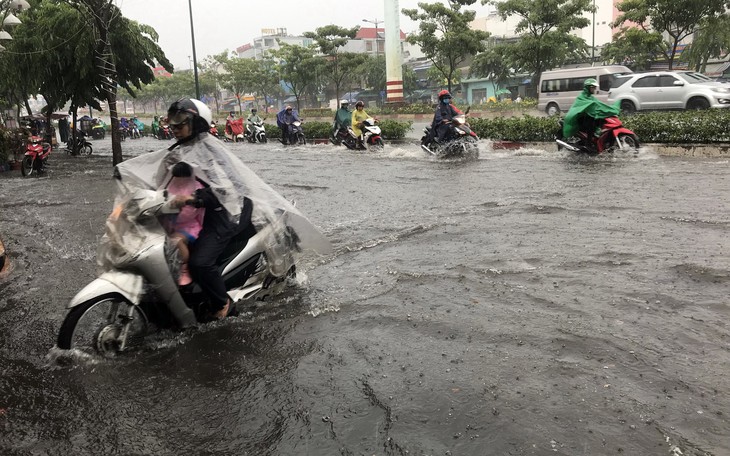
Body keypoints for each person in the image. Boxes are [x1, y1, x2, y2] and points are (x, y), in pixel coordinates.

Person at [109, 98, 330, 322]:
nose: (174, 128)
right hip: (197, 213)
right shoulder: (180, 150)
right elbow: (157, 174)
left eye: (180, 123)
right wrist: (128, 178)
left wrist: (197, 198)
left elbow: (229, 186)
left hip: (225, 212)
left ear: (196, 123)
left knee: (199, 263)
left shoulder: (211, 151)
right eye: (172, 123)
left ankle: (222, 302)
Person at [164, 162, 205, 286]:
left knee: (177, 240)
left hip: (191, 226)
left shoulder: (197, 188)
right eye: (177, 178)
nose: (180, 181)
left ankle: (184, 269)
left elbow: (201, 212)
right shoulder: (170, 186)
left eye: (183, 178)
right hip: (171, 223)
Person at [562, 78, 620, 150]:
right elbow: (593, 105)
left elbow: (599, 104)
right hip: (580, 120)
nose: (594, 89)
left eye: (594, 87)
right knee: (591, 124)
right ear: (588, 87)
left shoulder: (591, 97)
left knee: (601, 121)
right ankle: (588, 144)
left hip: (587, 117)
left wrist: (609, 109)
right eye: (593, 87)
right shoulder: (582, 97)